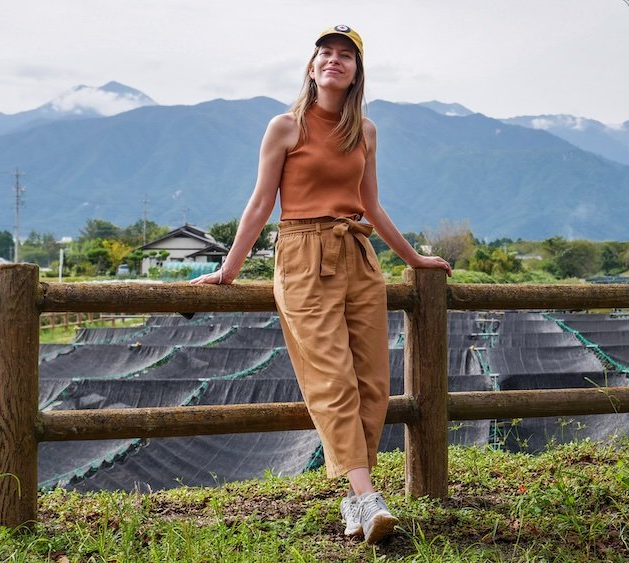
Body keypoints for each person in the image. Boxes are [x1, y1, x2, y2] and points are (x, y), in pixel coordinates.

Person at [191, 24, 452, 544]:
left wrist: (415, 258)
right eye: (325, 53)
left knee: (374, 385)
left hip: (357, 254)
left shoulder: (366, 131)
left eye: (345, 56)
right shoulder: (286, 126)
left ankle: (354, 500)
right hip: (302, 253)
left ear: (357, 72)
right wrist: (229, 270)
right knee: (332, 378)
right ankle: (368, 495)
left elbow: (372, 206)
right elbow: (262, 203)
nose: (334, 61)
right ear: (311, 67)